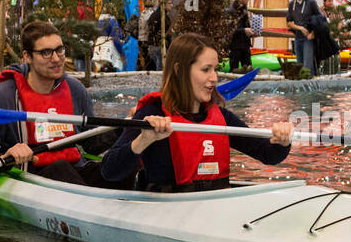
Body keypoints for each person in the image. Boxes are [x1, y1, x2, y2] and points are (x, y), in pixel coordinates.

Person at [99, 32, 293, 192]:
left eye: (215, 69)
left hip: (210, 210)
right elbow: (109, 170)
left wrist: (283, 141)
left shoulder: (222, 118)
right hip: (166, 213)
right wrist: (144, 140)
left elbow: (269, 155)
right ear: (179, 70)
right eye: (206, 70)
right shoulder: (152, 114)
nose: (214, 78)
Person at [0, 20, 120, 187]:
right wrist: (4, 158)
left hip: (74, 174)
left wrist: (122, 128)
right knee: (60, 168)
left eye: (60, 50)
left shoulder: (75, 90)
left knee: (120, 169)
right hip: (32, 178)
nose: (57, 59)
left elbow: (92, 144)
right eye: (46, 52)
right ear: (27, 57)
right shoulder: (0, 97)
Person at [286, 0, 322, 75]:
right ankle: (301, 87)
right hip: (298, 37)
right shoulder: (291, 4)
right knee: (299, 65)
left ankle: (310, 87)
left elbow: (320, 19)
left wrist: (313, 33)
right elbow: (289, 23)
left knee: (307, 66)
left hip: (308, 37)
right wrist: (300, 28)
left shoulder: (311, 2)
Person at [226, 0, 253, 71]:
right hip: (235, 45)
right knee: (234, 69)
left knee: (249, 68)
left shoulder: (244, 10)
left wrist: (252, 33)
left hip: (245, 44)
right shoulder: (230, 11)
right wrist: (244, 30)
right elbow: (229, 29)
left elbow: (247, 26)